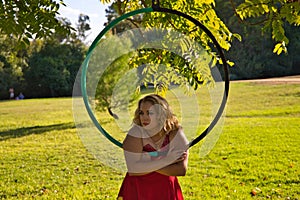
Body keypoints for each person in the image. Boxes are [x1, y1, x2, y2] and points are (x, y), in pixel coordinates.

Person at [117, 94, 189, 200]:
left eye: (150, 113)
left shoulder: (175, 132)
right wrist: (168, 160)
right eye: (141, 113)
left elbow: (181, 170)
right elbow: (133, 169)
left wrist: (146, 161)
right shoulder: (136, 133)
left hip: (165, 189)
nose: (144, 117)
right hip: (137, 188)